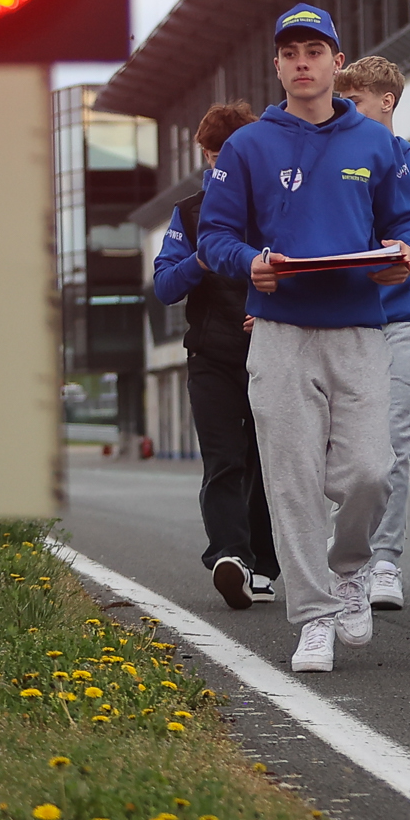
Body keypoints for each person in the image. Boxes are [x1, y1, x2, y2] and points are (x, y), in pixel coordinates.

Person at [197, 4, 410, 675]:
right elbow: (216, 236)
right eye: (290, 52)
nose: (303, 62)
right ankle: (315, 616)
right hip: (280, 330)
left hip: (358, 328)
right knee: (292, 481)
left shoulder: (374, 144)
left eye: (314, 51)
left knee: (369, 472)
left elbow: (406, 221)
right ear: (277, 65)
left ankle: (350, 571)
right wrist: (250, 264)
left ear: (336, 60)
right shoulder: (248, 147)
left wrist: (402, 253)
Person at [151, 101, 279, 611]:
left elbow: (307, 268)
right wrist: (201, 259)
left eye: (230, 154)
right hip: (211, 356)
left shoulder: (276, 203)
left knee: (268, 463)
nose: (221, 165)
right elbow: (163, 285)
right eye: (212, 155)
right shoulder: (188, 213)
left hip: (274, 351)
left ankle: (261, 564)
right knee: (223, 459)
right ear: (204, 156)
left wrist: (272, 309)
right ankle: (231, 556)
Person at [342, 55, 410, 613]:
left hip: (399, 326)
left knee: (394, 446)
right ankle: (344, 557)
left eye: (353, 103)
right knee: (345, 454)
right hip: (343, 325)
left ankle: (385, 562)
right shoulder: (336, 167)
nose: (344, 113)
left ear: (386, 102)